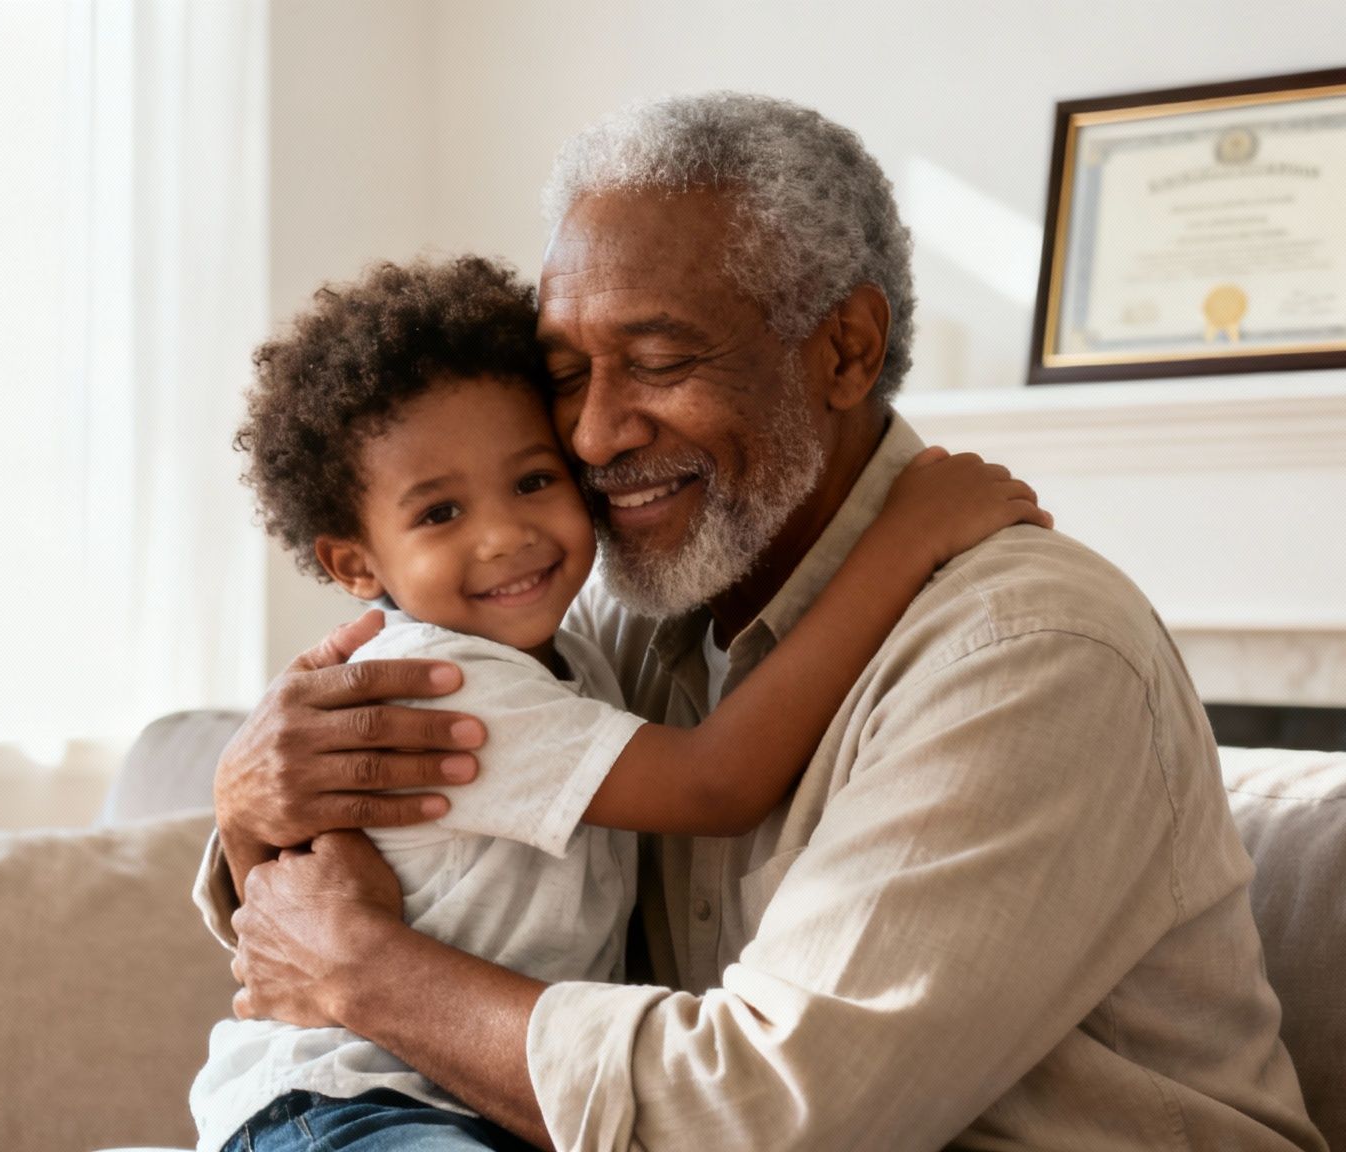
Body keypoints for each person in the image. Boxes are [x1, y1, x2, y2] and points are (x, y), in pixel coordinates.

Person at [206, 93, 1328, 1151]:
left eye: (658, 360)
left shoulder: (1025, 651)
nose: (592, 436)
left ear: (843, 350)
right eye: (563, 373)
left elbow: (765, 1122)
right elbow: (404, 880)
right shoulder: (623, 618)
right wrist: (254, 800)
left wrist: (366, 973)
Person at [194, 255, 1051, 1152]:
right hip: (352, 1105)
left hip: (475, 1098)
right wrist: (906, 539)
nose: (507, 535)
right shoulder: (450, 679)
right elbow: (715, 785)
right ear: (356, 566)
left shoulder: (572, 649)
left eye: (532, 481)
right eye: (440, 514)